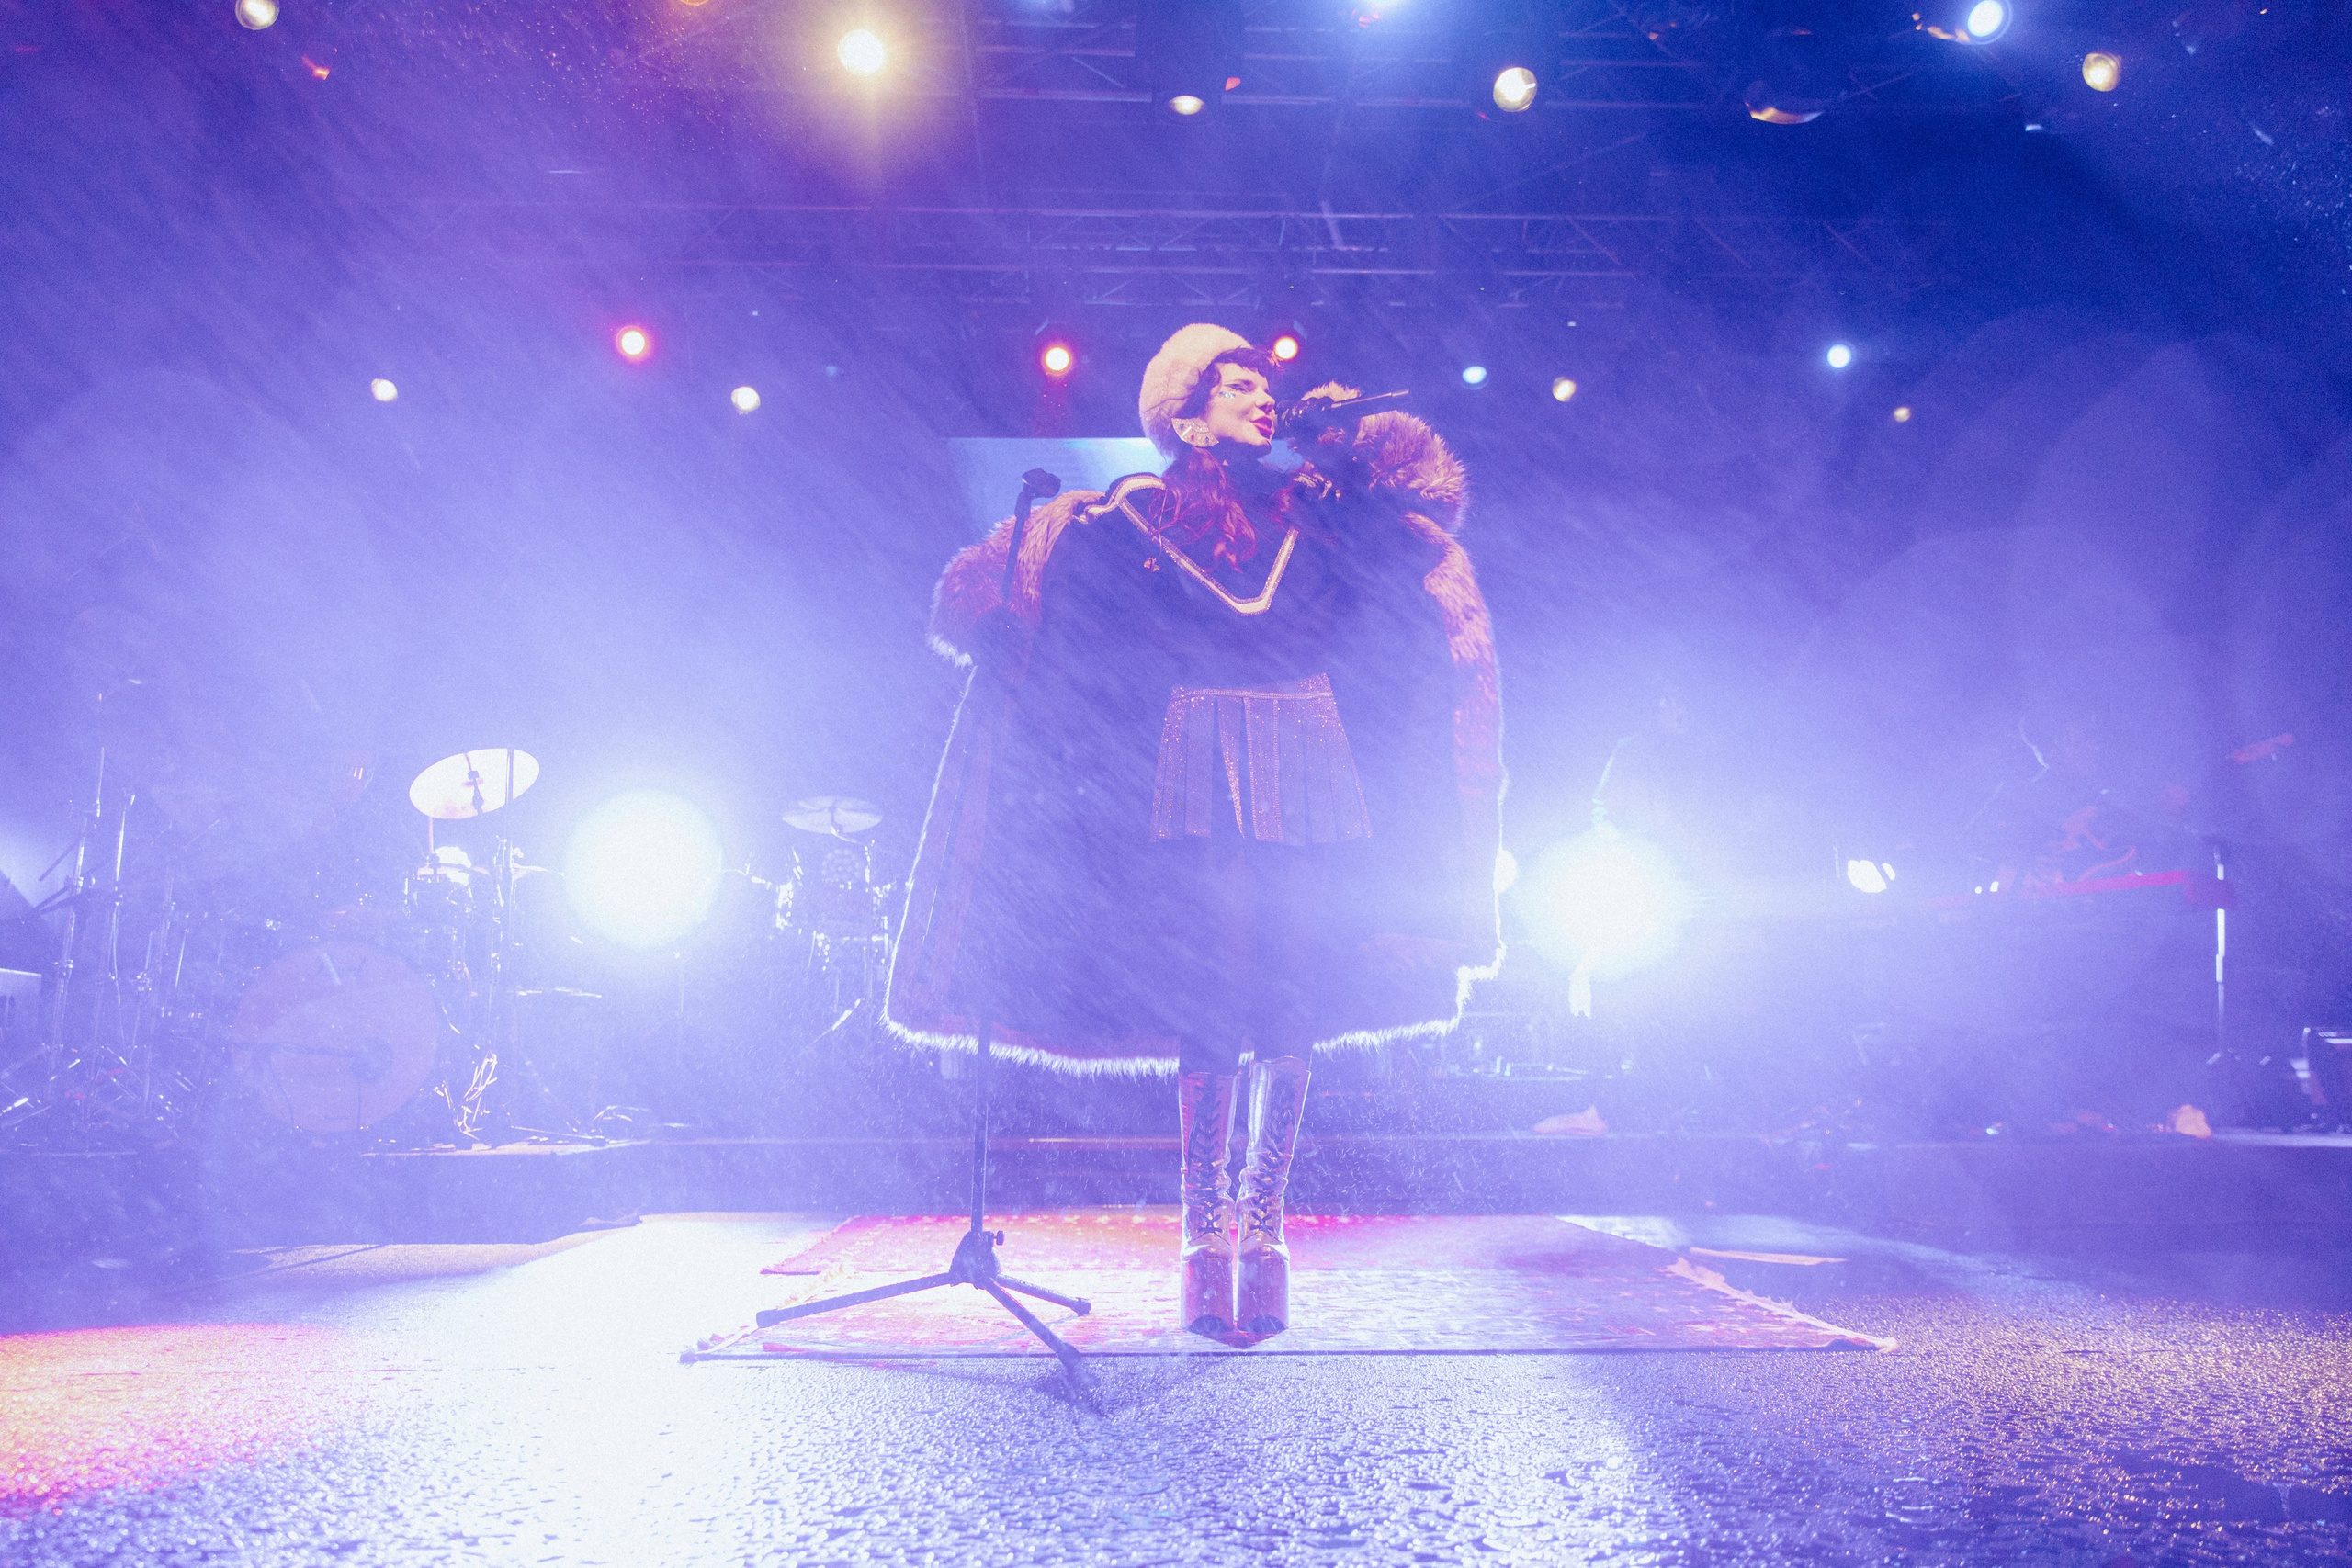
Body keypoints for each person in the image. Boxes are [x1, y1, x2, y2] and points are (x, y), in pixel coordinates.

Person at [887, 324, 1501, 1336]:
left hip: (1309, 749)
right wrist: (997, 608)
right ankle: (1203, 1224)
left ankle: (1264, 1219)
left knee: (1293, 982)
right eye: (1239, 383)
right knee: (1212, 982)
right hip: (1197, 756)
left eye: (1266, 383)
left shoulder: (1319, 504)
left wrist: (1355, 448)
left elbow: (1419, 523)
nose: (1263, 396)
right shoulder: (1132, 513)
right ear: (1189, 410)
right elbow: (1009, 595)